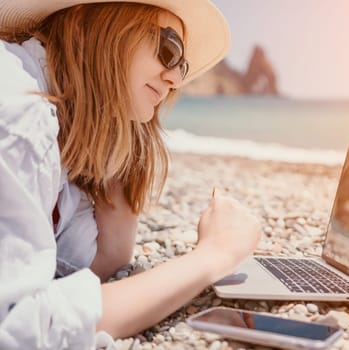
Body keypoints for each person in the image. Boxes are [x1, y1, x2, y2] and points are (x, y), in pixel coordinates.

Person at [0, 1, 262, 349]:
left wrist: (119, 128)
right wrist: (213, 256)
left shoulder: (56, 129)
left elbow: (100, 261)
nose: (174, 79)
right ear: (88, 24)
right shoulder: (21, 116)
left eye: (181, 69)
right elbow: (18, 329)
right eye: (168, 51)